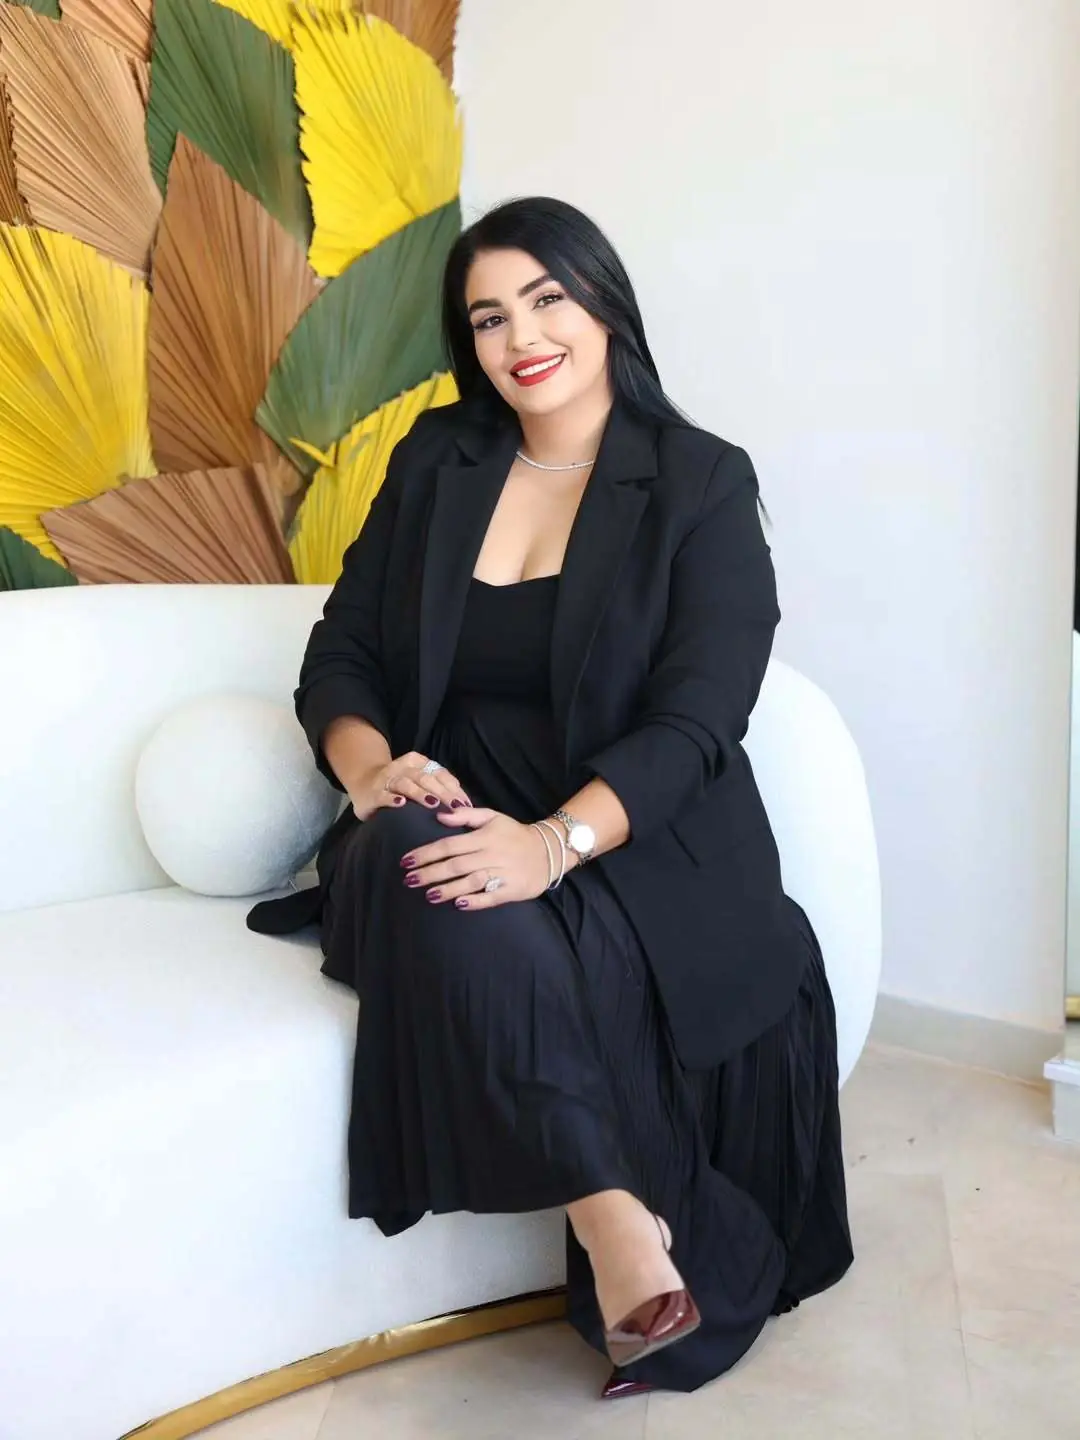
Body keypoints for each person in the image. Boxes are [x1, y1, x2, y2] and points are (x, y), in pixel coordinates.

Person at [248, 196, 854, 1397]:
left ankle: (659, 1234)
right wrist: (370, 771)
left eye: (546, 299)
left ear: (604, 304)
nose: (520, 336)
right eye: (487, 318)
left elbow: (699, 720)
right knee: (420, 857)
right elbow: (343, 652)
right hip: (445, 797)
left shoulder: (699, 482)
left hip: (625, 824)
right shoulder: (439, 459)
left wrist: (553, 844)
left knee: (485, 899)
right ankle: (614, 1213)